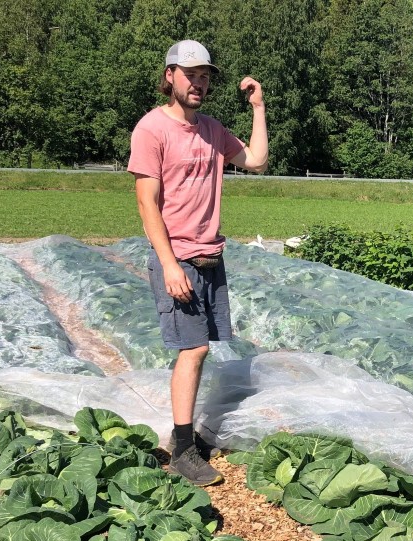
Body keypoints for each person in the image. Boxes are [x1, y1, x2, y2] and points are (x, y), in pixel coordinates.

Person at [128, 39, 268, 485]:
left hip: (211, 258)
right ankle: (183, 447)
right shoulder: (152, 129)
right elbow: (147, 203)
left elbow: (257, 161)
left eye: (205, 76)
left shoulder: (211, 129)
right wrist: (169, 264)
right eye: (191, 75)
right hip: (179, 258)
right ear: (170, 76)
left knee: (200, 349)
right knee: (195, 349)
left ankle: (185, 436)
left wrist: (259, 107)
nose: (199, 84)